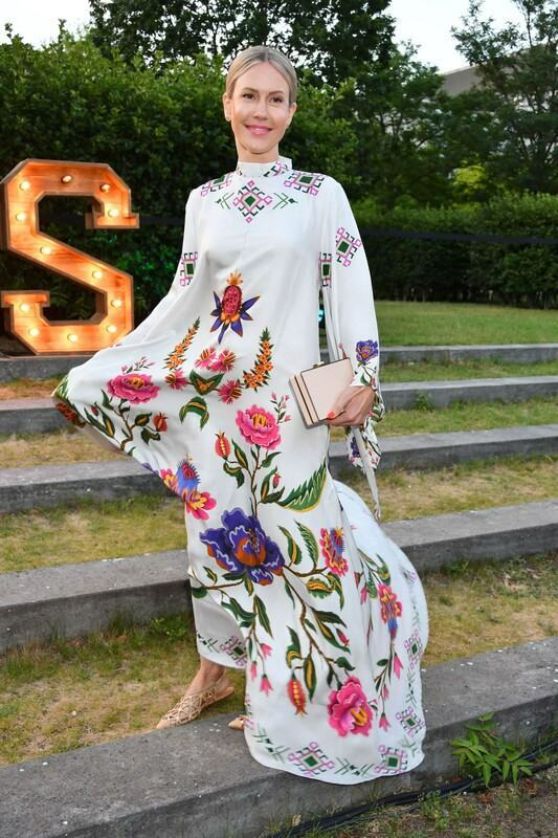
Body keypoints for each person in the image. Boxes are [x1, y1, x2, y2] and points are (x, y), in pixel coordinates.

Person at [53, 45, 428, 785]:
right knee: (218, 535)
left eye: (276, 99)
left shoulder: (320, 195)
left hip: (290, 405)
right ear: (228, 104)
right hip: (219, 400)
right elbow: (184, 298)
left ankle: (325, 695)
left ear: (291, 112)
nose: (262, 111)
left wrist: (363, 375)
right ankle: (215, 673)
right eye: (249, 96)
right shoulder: (205, 200)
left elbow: (350, 286)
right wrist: (113, 366)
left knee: (301, 536)